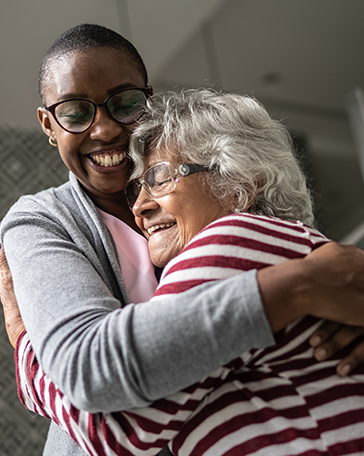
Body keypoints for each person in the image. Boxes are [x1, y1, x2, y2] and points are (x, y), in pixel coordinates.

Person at [1, 23, 364, 456]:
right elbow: (86, 367)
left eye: (125, 104)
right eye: (76, 113)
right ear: (48, 124)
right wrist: (295, 288)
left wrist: (25, 344)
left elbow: (111, 421)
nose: (104, 130)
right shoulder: (42, 219)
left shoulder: (230, 236)